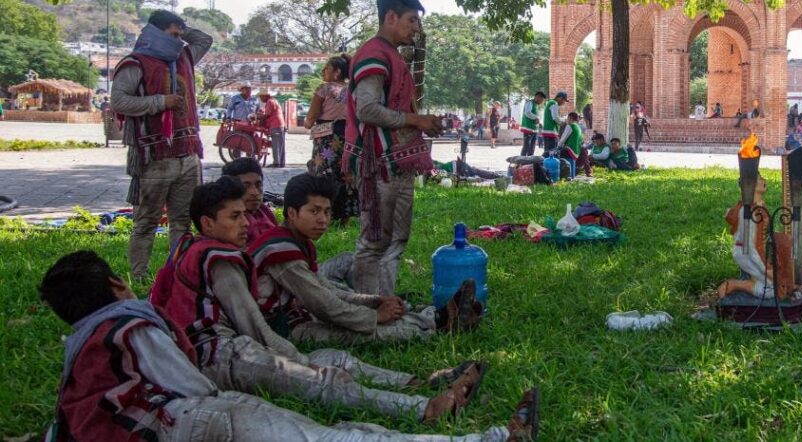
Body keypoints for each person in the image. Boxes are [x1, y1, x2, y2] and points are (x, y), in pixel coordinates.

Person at [39, 251, 539, 442]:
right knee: (325, 411)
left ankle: (426, 398)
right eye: (239, 208)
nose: (249, 214)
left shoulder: (81, 344)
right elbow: (227, 345)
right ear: (116, 286)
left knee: (331, 393)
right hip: (195, 402)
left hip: (196, 401)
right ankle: (486, 436)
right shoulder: (134, 319)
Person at [161, 176, 484, 424]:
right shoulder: (222, 258)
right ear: (207, 223)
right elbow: (260, 326)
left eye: (245, 215)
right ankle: (427, 400)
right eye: (235, 217)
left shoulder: (202, 248)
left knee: (337, 359)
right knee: (322, 377)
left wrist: (372, 303)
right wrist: (301, 358)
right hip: (222, 351)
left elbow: (323, 291)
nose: (246, 224)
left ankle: (416, 382)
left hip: (239, 343)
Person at [250, 174, 481, 349]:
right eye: (314, 211)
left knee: (366, 312)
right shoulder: (281, 250)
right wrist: (373, 316)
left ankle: (438, 315)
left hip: (297, 313)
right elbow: (324, 304)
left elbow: (326, 289)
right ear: (291, 213)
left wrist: (373, 301)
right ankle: (437, 326)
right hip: (278, 329)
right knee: (361, 331)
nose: (323, 220)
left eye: (328, 212)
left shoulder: (300, 242)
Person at [345, 0, 442, 296]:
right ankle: (366, 307)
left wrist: (422, 123)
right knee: (374, 241)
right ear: (390, 17)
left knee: (396, 239)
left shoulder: (393, 56)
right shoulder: (373, 54)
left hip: (398, 165)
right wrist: (417, 120)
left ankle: (385, 302)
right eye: (412, 20)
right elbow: (367, 108)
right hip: (378, 165)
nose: (417, 29)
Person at [111, 10, 212, 280]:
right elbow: (118, 101)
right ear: (154, 32)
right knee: (146, 222)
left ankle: (178, 274)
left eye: (181, 36)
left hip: (188, 153)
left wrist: (181, 28)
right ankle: (140, 275)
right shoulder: (135, 63)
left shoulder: (185, 57)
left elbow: (205, 39)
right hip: (154, 155)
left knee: (183, 221)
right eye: (173, 35)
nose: (178, 41)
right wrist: (159, 102)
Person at [303, 54, 358, 221]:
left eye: (327, 68)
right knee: (345, 174)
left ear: (337, 72)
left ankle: (325, 214)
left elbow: (311, 117)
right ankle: (345, 216)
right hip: (349, 136)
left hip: (327, 139)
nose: (323, 71)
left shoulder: (324, 89)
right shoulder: (353, 90)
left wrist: (308, 122)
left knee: (324, 174)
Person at [221, 157, 278, 242]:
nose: (254, 192)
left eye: (258, 185)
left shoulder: (265, 212)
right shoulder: (229, 224)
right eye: (246, 186)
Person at [257, 88, 286, 168]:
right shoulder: (273, 101)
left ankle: (277, 163)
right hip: (279, 125)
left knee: (276, 144)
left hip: (276, 125)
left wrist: (257, 117)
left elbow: (266, 115)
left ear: (266, 96)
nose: (260, 98)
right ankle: (281, 162)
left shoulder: (270, 102)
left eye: (261, 96)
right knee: (280, 144)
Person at [556, 112, 590, 176]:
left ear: (570, 118)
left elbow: (563, 138)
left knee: (558, 155)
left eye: (567, 118)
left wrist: (558, 147)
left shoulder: (570, 126)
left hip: (569, 150)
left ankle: (567, 176)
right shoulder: (578, 127)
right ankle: (572, 176)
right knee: (572, 163)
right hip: (577, 151)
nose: (566, 120)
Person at [519, 91, 545, 157]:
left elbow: (538, 116)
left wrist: (540, 122)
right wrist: (536, 117)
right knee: (526, 146)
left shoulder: (537, 106)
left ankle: (529, 162)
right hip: (528, 128)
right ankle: (522, 162)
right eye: (541, 99)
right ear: (537, 97)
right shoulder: (530, 103)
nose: (542, 102)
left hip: (534, 129)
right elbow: (527, 112)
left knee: (532, 148)